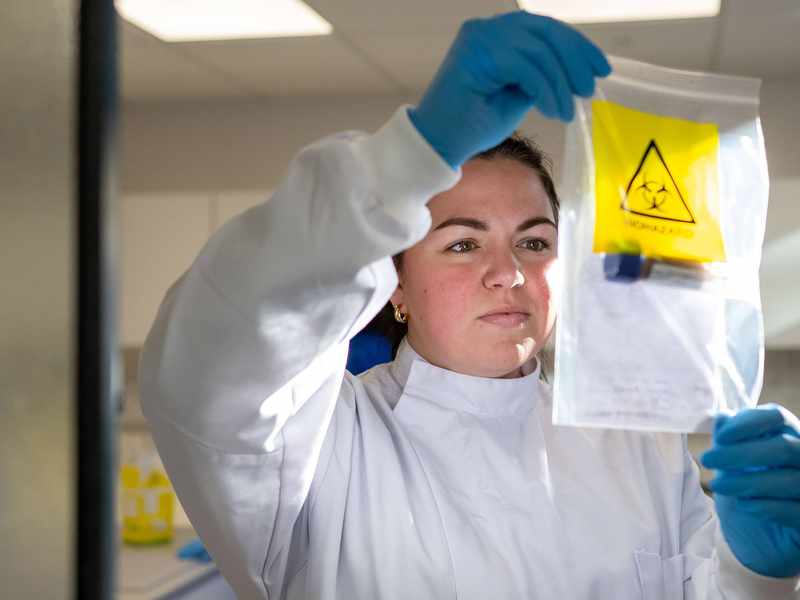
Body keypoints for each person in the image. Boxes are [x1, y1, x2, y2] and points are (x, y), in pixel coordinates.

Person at [139, 11, 800, 599]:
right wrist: (414, 151)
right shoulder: (323, 444)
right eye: (461, 245)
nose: (508, 274)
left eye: (535, 242)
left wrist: (757, 571)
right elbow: (219, 345)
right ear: (395, 285)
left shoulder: (633, 441)